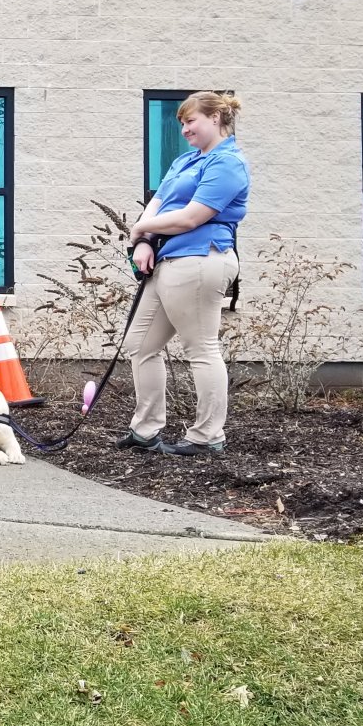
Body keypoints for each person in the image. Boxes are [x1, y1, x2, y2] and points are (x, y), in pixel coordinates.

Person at [116, 90, 250, 457]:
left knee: (201, 348)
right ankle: (145, 431)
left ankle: (207, 437)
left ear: (216, 119)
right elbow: (156, 205)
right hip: (167, 261)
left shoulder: (228, 163)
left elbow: (192, 217)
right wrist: (142, 241)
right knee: (140, 346)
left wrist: (141, 229)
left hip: (200, 259)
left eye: (191, 121)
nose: (185, 129)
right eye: (182, 123)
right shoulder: (184, 161)